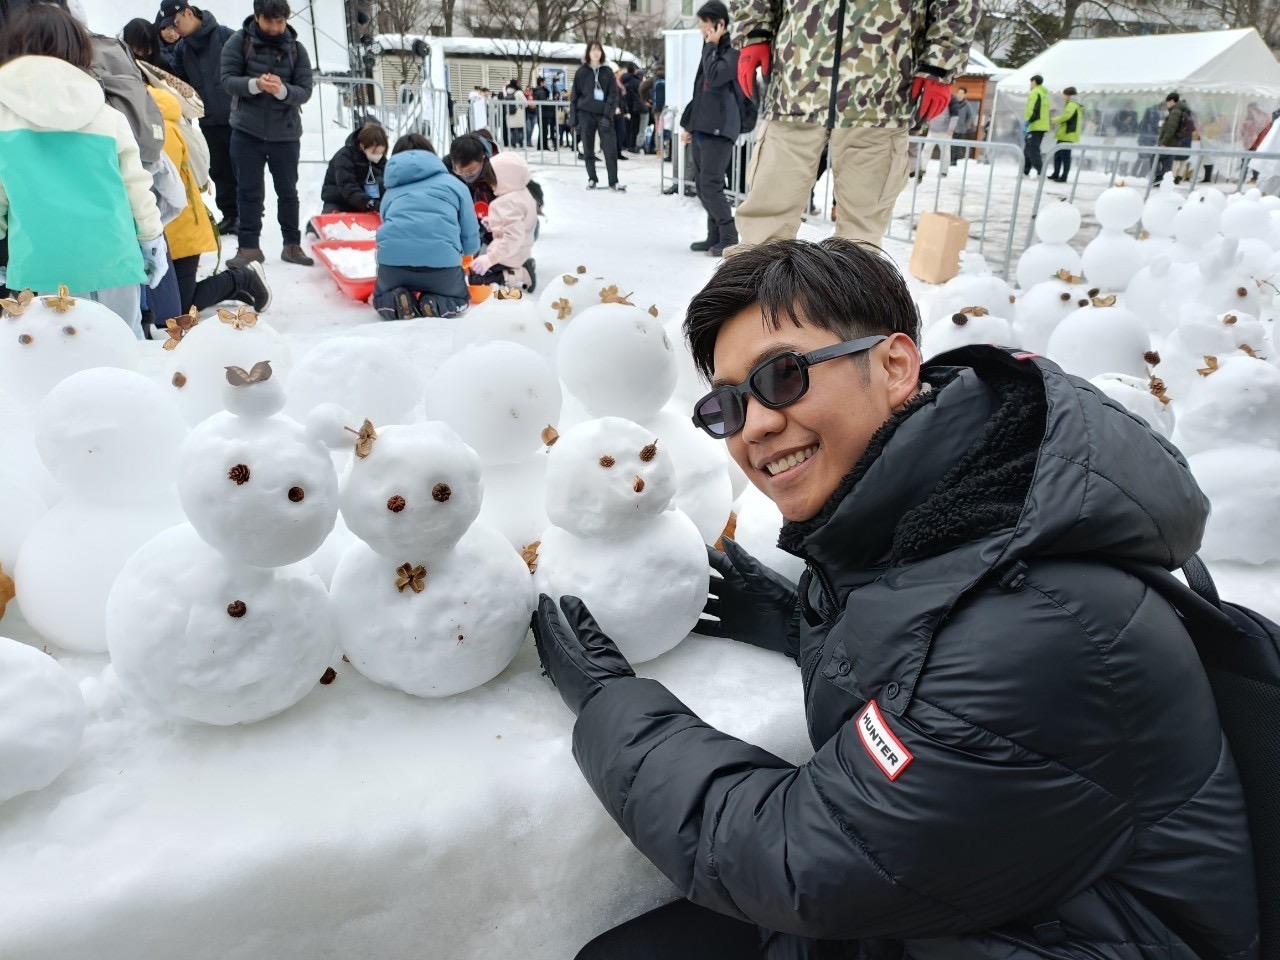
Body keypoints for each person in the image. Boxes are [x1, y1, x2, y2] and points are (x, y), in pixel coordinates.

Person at [532, 237, 1260, 959]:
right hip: (976, 903)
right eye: (727, 405)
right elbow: (925, 664)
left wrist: (610, 705)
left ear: (895, 365)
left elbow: (801, 858)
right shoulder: (958, 510)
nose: (755, 425)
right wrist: (795, 623)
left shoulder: (1038, 621)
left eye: (782, 376)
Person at [729, 0, 974, 246]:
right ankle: (759, 272)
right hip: (795, 84)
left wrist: (941, 62)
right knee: (765, 221)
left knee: (862, 231)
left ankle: (855, 271)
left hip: (882, 93)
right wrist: (754, 32)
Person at [0, 2, 167, 337]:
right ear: (77, 48)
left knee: (54, 357)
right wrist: (152, 238)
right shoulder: (107, 116)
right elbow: (136, 187)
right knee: (120, 349)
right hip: (113, 262)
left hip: (39, 266)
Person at [146, 75, 271, 316]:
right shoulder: (153, 121)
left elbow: (167, 186)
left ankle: (242, 278)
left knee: (176, 311)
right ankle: (230, 288)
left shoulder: (161, 129)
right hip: (164, 229)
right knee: (163, 307)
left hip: (179, 228)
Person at [220, 0, 315, 269]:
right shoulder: (238, 42)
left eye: (280, 21)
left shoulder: (297, 49)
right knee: (248, 191)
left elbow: (305, 90)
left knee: (288, 192)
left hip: (286, 134)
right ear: (257, 17)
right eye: (269, 21)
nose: (275, 27)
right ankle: (249, 248)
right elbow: (227, 80)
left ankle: (292, 245)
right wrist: (255, 84)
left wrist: (282, 90)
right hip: (246, 131)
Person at [374, 134, 479, 320]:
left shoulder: (390, 193)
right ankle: (436, 304)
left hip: (393, 267)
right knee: (458, 298)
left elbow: (386, 222)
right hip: (442, 268)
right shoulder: (456, 185)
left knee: (381, 297)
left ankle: (394, 300)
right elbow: (470, 238)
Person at [162, 0, 237, 235]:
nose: (175, 30)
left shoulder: (226, 36)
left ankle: (248, 216)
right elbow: (181, 84)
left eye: (176, 23)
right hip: (208, 120)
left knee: (242, 169)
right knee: (220, 169)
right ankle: (230, 214)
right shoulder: (182, 49)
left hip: (237, 118)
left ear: (188, 13)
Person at [680, 1, 740, 257]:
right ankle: (714, 235)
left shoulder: (732, 52)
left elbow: (715, 78)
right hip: (702, 128)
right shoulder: (711, 51)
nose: (701, 28)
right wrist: (689, 125)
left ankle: (729, 236)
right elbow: (700, 93)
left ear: (720, 24)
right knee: (702, 184)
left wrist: (711, 45)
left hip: (720, 128)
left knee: (710, 184)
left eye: (705, 23)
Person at [467, 151, 537, 292]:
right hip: (519, 248)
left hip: (510, 253)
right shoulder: (521, 193)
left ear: (506, 178)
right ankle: (518, 267)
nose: (490, 185)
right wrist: (494, 222)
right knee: (478, 270)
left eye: (492, 181)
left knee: (477, 277)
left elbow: (513, 237)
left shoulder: (509, 202)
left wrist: (490, 259)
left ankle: (521, 273)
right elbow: (516, 223)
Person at [572, 42, 625, 191]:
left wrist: (608, 115)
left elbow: (613, 94)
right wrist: (574, 119)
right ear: (588, 53)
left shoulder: (607, 71)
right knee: (588, 148)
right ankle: (592, 178)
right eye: (593, 50)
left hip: (603, 114)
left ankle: (613, 181)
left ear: (602, 53)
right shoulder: (581, 72)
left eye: (598, 50)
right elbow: (575, 96)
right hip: (585, 113)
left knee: (610, 148)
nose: (596, 53)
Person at [320, 122, 387, 213]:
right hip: (339, 202)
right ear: (362, 145)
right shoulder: (344, 157)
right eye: (374, 152)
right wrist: (371, 204)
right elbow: (348, 188)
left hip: (365, 203)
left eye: (381, 153)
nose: (378, 156)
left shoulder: (380, 160)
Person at [1156, 91, 1193, 184]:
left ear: (1172, 101)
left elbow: (1171, 129)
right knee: (1174, 161)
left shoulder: (1175, 112)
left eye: (1167, 102)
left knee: (1157, 158)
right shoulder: (1184, 111)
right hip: (1181, 140)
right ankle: (1168, 179)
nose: (1167, 104)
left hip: (1171, 141)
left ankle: (1161, 178)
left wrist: (1164, 142)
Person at [1048, 86, 1081, 182]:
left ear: (1069, 95)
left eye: (1064, 94)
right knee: (1058, 155)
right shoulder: (1071, 104)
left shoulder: (1072, 104)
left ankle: (1064, 176)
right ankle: (1056, 174)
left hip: (1068, 134)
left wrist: (1054, 120)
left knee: (1065, 157)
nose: (1062, 96)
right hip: (1064, 134)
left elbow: (1066, 116)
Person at [1024, 73, 1049, 176]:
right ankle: (1026, 170)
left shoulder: (1035, 92)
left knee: (1033, 150)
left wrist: (1027, 121)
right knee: (1028, 149)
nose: (1030, 85)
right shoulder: (1044, 94)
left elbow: (1031, 108)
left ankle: (1041, 172)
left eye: (1030, 83)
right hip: (1041, 126)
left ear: (1034, 82)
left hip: (1034, 125)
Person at [949, 86, 977, 166]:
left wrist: (966, 126)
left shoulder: (967, 105)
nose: (959, 95)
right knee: (950, 145)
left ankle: (954, 161)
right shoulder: (953, 102)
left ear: (964, 94)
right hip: (952, 128)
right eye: (958, 93)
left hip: (961, 130)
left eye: (961, 93)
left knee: (957, 146)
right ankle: (950, 160)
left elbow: (971, 117)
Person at [622, 63, 643, 151]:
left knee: (624, 126)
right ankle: (631, 146)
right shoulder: (637, 82)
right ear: (634, 71)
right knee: (634, 128)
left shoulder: (622, 80)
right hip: (635, 107)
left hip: (624, 106)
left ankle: (623, 144)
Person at [501, 77, 526, 148]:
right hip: (518, 112)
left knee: (512, 129)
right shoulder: (519, 92)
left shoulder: (506, 92)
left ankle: (513, 143)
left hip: (509, 112)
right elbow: (525, 102)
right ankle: (520, 143)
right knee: (520, 129)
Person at [532, 76, 555, 150]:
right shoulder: (541, 91)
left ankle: (542, 146)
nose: (546, 83)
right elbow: (544, 103)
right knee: (544, 131)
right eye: (545, 82)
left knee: (543, 130)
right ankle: (542, 146)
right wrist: (551, 103)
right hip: (543, 113)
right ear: (541, 83)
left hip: (542, 113)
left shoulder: (540, 90)